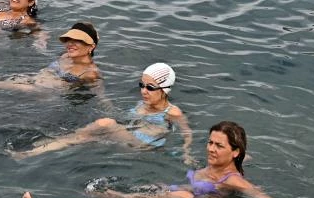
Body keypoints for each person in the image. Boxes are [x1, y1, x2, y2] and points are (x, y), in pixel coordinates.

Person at [20, 121, 279, 198]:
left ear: (235, 152)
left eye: (219, 146)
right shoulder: (214, 167)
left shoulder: (232, 180)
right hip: (168, 193)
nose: (211, 149)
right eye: (210, 142)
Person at [10, 63, 194, 164]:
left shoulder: (173, 112)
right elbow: (124, 118)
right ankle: (33, 153)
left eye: (150, 87)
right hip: (128, 137)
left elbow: (187, 133)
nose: (143, 91)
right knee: (83, 138)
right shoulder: (142, 104)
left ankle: (49, 142)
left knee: (104, 124)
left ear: (165, 89)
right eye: (142, 85)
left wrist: (186, 154)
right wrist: (101, 95)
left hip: (143, 146)